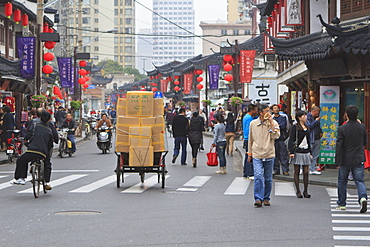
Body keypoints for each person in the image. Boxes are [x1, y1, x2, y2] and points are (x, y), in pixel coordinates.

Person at [335, 105, 367, 213]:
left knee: (342, 181)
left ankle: (342, 203)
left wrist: (337, 161)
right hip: (358, 157)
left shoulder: (342, 128)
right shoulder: (362, 127)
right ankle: (362, 198)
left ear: (347, 115)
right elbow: (365, 142)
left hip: (345, 158)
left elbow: (339, 145)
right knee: (359, 180)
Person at [247, 104, 280, 207]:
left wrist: (271, 123)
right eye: (266, 111)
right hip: (257, 153)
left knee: (268, 178)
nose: (268, 113)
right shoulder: (253, 123)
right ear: (261, 112)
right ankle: (258, 198)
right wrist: (249, 153)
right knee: (258, 175)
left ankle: (266, 198)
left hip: (269, 153)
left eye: (269, 111)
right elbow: (250, 139)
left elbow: (276, 136)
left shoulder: (273, 122)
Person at [10, 111, 54, 187]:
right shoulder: (49, 129)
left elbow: (28, 135)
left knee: (21, 160)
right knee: (47, 163)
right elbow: (51, 144)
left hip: (32, 150)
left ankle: (20, 178)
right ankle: (47, 182)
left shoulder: (35, 126)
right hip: (43, 152)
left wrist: (26, 141)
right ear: (49, 119)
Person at [288, 110, 312, 199]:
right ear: (299, 117)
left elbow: (309, 141)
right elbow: (291, 139)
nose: (305, 117)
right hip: (297, 150)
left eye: (306, 116)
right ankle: (298, 191)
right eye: (303, 116)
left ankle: (305, 191)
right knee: (297, 171)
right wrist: (291, 151)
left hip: (306, 151)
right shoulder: (295, 127)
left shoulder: (307, 126)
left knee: (306, 172)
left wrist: (311, 152)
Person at [271, 104, 290, 176]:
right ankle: (276, 169)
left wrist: (277, 126)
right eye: (274, 108)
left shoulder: (283, 117)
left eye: (277, 108)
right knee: (275, 155)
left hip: (282, 138)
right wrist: (277, 126)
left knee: (283, 154)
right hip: (274, 139)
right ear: (272, 110)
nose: (276, 109)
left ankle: (285, 170)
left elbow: (284, 126)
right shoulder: (271, 118)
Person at [243, 104, 257, 179]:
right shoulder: (249, 118)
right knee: (250, 155)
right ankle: (250, 173)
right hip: (249, 138)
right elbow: (250, 129)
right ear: (252, 110)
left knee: (247, 155)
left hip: (246, 138)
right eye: (255, 110)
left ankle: (246, 172)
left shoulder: (246, 116)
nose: (256, 111)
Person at [306, 106, 322, 175]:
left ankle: (312, 168)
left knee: (315, 154)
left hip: (317, 138)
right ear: (315, 111)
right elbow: (309, 125)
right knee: (308, 154)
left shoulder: (316, 118)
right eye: (318, 111)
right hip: (310, 138)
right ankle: (305, 168)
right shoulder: (308, 117)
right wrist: (316, 121)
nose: (318, 113)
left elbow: (318, 127)